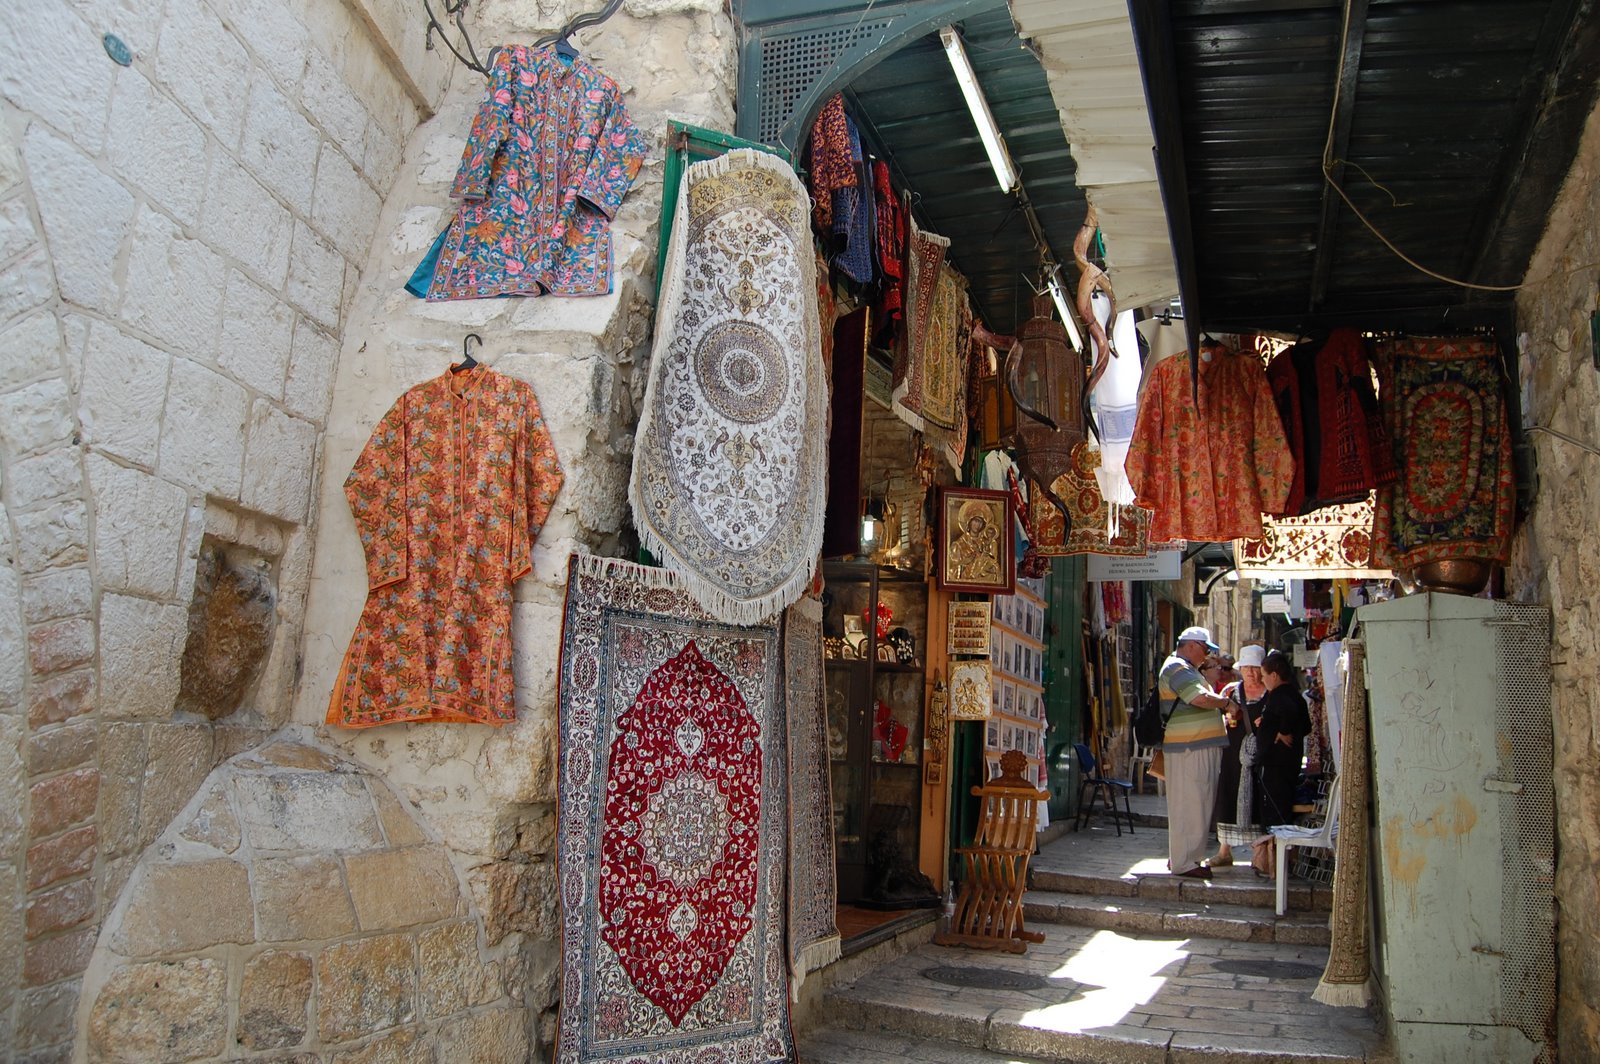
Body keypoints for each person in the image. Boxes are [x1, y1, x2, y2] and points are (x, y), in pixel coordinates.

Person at [1158, 626, 1233, 878]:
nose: (1207, 656)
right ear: (1191, 645)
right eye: (1205, 649)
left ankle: (1184, 858)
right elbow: (1198, 698)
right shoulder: (1177, 668)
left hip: (1193, 746)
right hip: (1189, 747)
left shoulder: (1184, 668)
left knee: (1194, 802)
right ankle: (1185, 863)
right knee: (1192, 803)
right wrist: (1225, 703)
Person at [1208, 643, 1267, 867]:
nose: (1251, 673)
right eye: (1247, 668)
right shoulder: (1231, 691)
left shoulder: (1269, 693)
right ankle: (1224, 851)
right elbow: (1217, 716)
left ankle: (1258, 854)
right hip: (1232, 753)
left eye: (1255, 668)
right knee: (1229, 794)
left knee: (1258, 798)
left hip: (1259, 754)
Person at [1254, 650, 1313, 826]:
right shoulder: (1295, 696)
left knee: (1276, 814)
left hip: (1276, 766)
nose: (1262, 680)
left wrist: (1282, 731)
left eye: (1264, 676)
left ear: (1274, 675)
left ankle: (1278, 851)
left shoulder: (1281, 695)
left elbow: (1289, 712)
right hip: (1286, 764)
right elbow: (1305, 726)